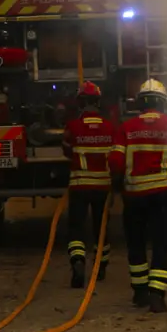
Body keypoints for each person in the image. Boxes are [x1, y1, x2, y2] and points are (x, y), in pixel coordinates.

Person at [109, 78, 167, 313]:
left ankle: (140, 293)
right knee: (163, 244)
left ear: (140, 103)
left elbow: (116, 161)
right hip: (164, 196)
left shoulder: (126, 128)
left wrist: (117, 183)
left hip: (135, 195)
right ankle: (157, 295)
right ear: (163, 103)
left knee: (136, 243)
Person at [61, 80, 116, 288]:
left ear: (80, 103)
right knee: (101, 228)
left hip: (79, 186)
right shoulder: (110, 127)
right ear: (98, 102)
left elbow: (66, 148)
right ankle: (100, 266)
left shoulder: (73, 126)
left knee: (76, 227)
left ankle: (77, 261)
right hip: (103, 187)